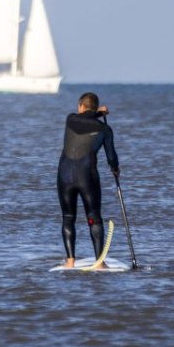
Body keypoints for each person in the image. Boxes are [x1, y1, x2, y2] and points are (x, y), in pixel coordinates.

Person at [57, 91, 119, 269]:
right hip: (87, 177)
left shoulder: (70, 119)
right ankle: (99, 263)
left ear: (81, 107)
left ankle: (70, 262)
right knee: (93, 218)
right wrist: (115, 170)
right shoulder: (105, 130)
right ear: (93, 108)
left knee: (68, 218)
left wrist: (99, 112)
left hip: (64, 176)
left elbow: (84, 118)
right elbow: (111, 157)